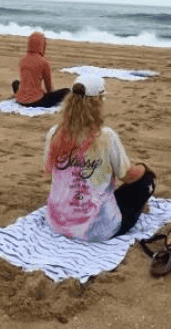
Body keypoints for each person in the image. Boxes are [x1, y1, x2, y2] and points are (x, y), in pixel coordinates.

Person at [43, 74, 156, 241]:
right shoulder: (105, 136)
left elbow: (49, 168)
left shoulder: (54, 133)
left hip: (58, 222)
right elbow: (127, 176)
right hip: (97, 229)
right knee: (147, 178)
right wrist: (143, 168)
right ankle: (139, 206)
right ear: (99, 102)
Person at [12, 32, 69, 108]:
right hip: (35, 102)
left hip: (20, 100)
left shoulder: (23, 59)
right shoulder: (44, 62)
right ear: (42, 45)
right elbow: (49, 87)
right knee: (67, 91)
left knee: (16, 82)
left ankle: (22, 96)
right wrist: (46, 94)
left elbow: (28, 81)